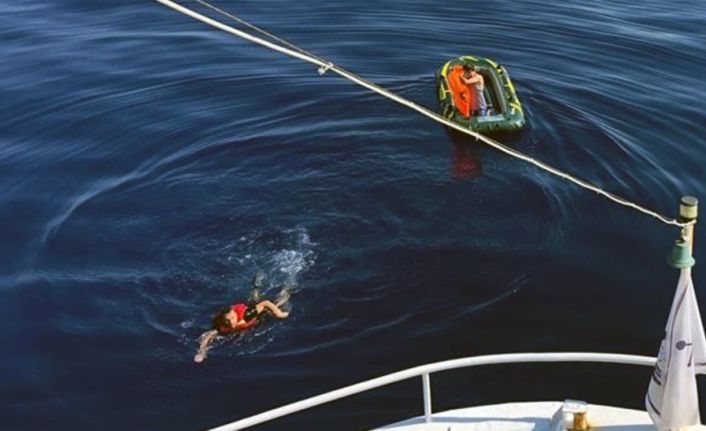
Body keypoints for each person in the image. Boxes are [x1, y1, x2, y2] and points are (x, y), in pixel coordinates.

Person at [194, 290, 290, 363]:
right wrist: (201, 352)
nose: (231, 323)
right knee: (253, 301)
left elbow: (266, 303)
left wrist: (279, 314)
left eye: (232, 319)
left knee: (275, 304)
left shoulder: (247, 315)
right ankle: (255, 290)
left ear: (235, 315)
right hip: (243, 311)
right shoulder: (221, 324)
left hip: (252, 314)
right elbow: (208, 336)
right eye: (227, 321)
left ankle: (286, 290)